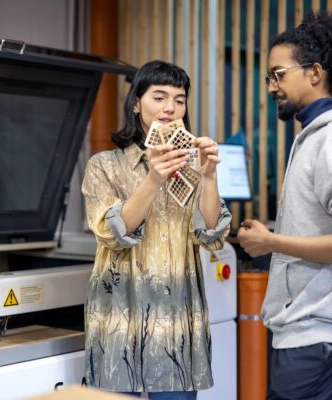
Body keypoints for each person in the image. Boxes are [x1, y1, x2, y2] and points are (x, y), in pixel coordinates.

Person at [236, 12, 332, 400]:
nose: (271, 86)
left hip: (318, 334)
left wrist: (273, 243)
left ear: (315, 72)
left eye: (278, 74)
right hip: (315, 330)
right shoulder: (313, 136)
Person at [81, 60, 232, 400]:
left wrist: (208, 177)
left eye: (180, 99)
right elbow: (111, 232)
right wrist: (153, 178)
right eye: (159, 97)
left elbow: (211, 234)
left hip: (177, 332)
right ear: (136, 103)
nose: (170, 108)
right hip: (118, 327)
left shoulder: (191, 164)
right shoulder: (104, 165)